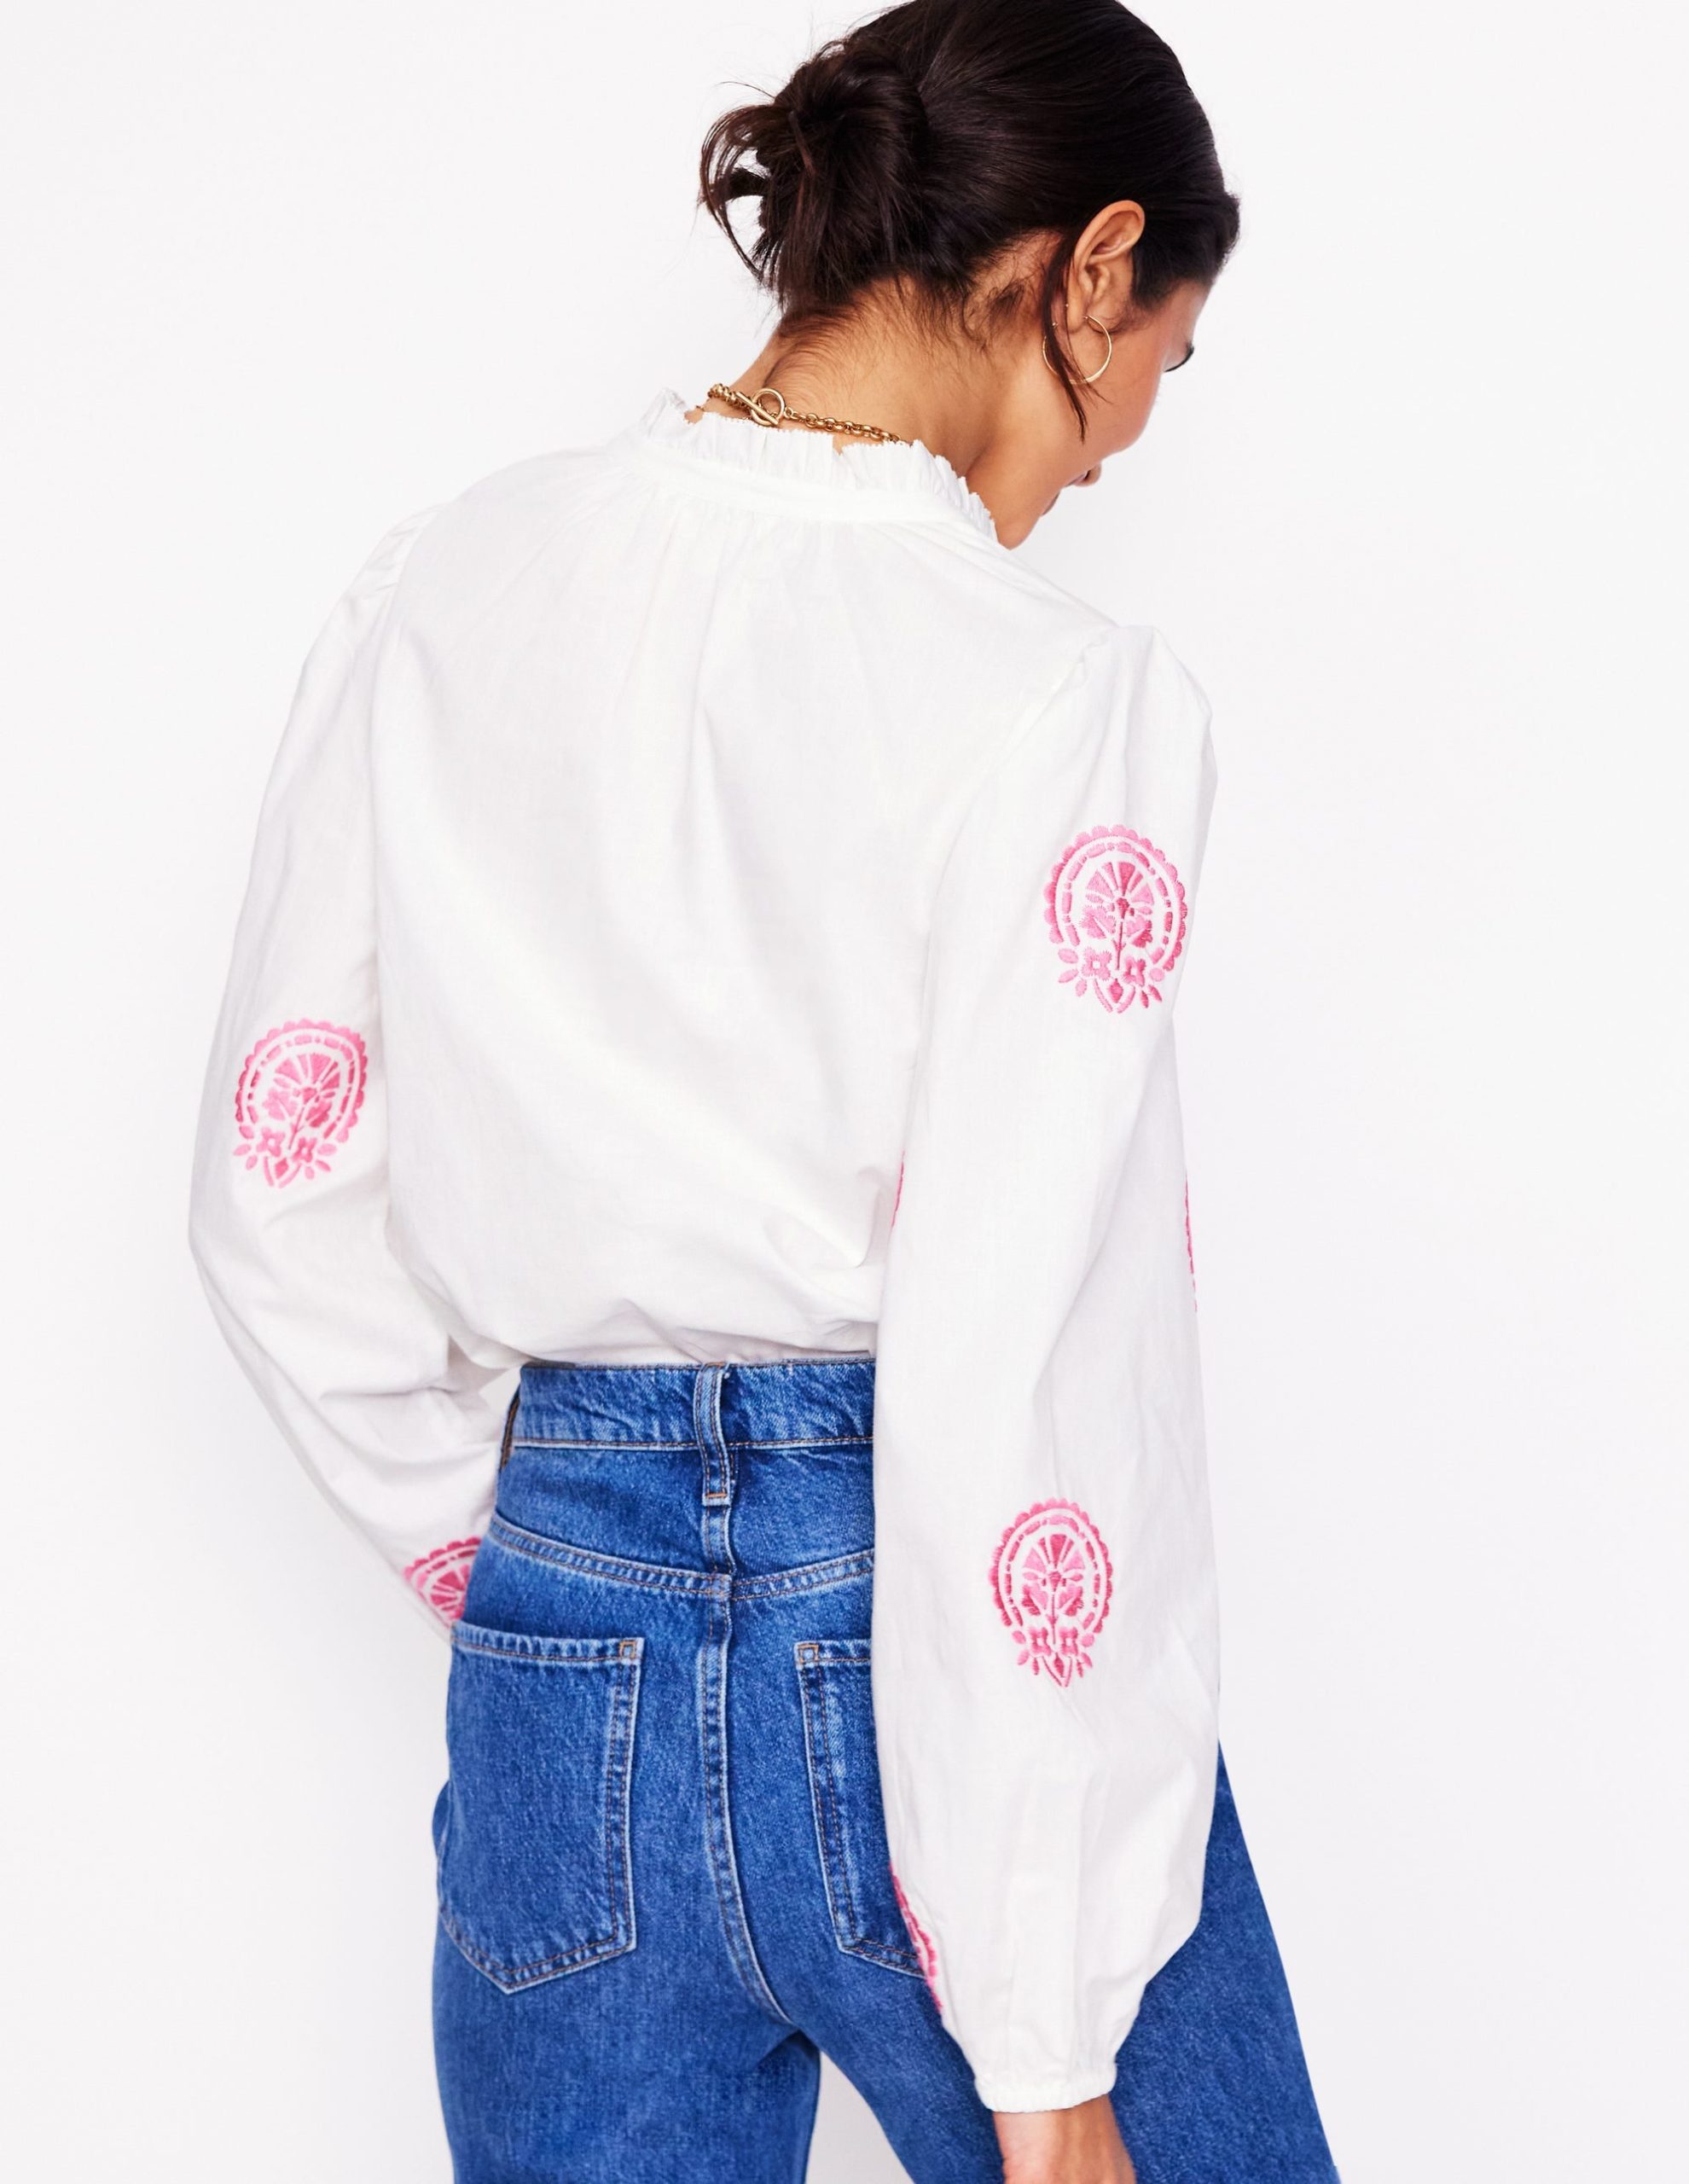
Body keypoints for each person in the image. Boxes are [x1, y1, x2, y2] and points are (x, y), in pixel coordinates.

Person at [189, 3, 1340, 2178]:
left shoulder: (447, 584)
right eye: (1159, 368)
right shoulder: (1054, 697)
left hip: (561, 1661)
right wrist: (1046, 2039)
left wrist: (538, 1559)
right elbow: (1017, 1356)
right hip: (925, 1634)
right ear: (1093, 267)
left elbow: (281, 1175)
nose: (1113, 457)